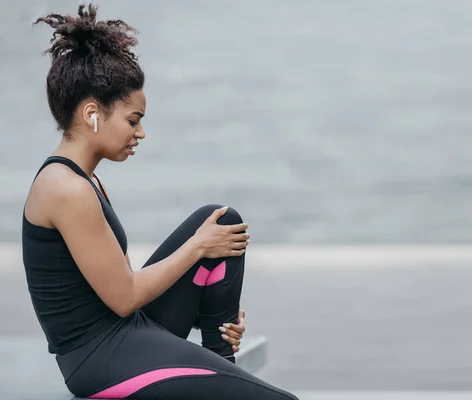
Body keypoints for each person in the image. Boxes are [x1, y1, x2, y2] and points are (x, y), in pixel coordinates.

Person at [21, 4, 298, 399]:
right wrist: (198, 246)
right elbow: (124, 298)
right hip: (99, 358)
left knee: (220, 220)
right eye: (133, 120)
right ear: (92, 114)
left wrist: (215, 319)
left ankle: (221, 349)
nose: (141, 133)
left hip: (125, 334)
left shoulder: (85, 179)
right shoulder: (65, 188)